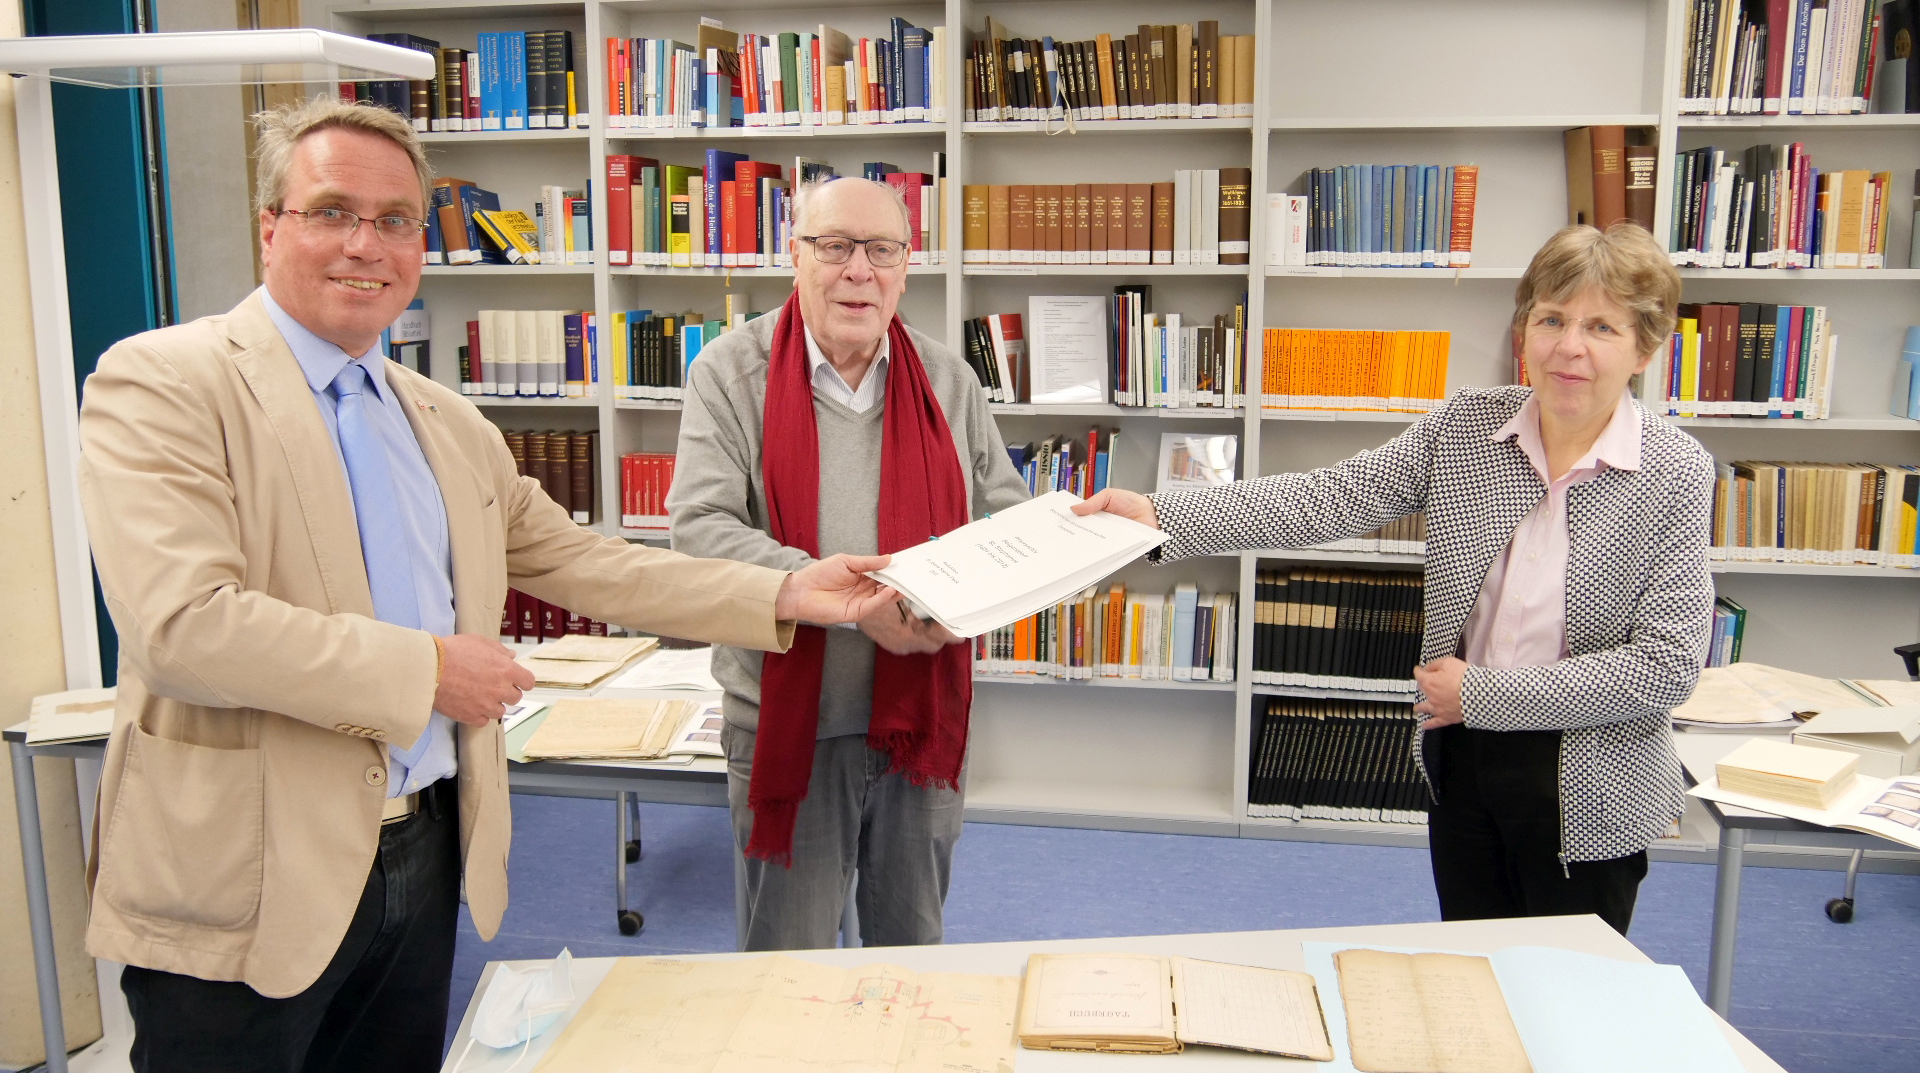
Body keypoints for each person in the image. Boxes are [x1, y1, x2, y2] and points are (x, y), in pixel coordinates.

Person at [76, 97, 897, 1073]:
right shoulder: (165, 384)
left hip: (423, 853)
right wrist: (427, 673)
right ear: (270, 227)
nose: (364, 245)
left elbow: (589, 562)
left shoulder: (443, 419)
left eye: (394, 222)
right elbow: (183, 628)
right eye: (332, 211)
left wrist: (791, 591)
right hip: (249, 868)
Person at [1076, 222, 1712, 935]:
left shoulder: (1676, 472)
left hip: (1589, 776)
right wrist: (1159, 514)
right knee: (1474, 973)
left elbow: (1666, 666)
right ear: (1523, 331)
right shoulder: (1468, 427)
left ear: (1645, 347)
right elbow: (1328, 497)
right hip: (1463, 755)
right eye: (1551, 319)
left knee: (1570, 997)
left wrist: (1483, 693)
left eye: (1601, 327)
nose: (1570, 346)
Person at [670, 175, 1029, 950]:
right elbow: (700, 528)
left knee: (911, 961)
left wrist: (939, 602)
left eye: (881, 250)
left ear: (907, 264)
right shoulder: (730, 373)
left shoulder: (947, 379)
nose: (857, 270)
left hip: (919, 723)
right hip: (792, 724)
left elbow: (1003, 516)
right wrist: (850, 598)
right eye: (834, 247)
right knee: (787, 973)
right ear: (793, 255)